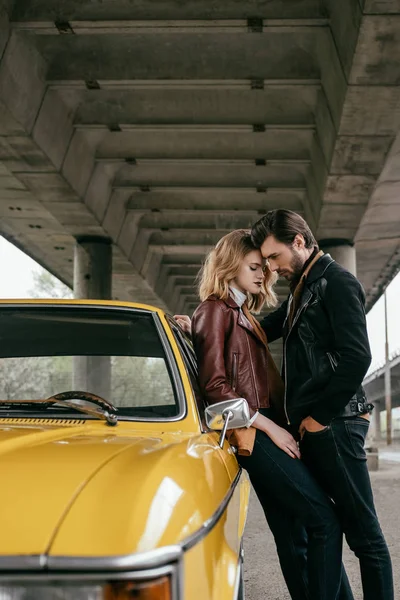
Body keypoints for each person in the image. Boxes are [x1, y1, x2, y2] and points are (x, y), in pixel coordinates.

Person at [190, 228, 344, 600]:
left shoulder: (238, 312)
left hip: (264, 432)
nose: (263, 274)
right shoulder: (215, 310)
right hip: (255, 437)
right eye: (254, 267)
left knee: (295, 533)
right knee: (324, 520)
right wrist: (271, 428)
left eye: (266, 268)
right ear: (230, 266)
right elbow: (216, 389)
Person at [248, 209, 394, 600]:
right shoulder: (303, 288)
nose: (273, 269)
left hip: (337, 424)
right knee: (326, 524)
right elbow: (263, 329)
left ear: (299, 241)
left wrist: (318, 418)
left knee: (364, 536)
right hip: (319, 425)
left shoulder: (336, 282)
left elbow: (356, 357)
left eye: (275, 257)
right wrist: (207, 324)